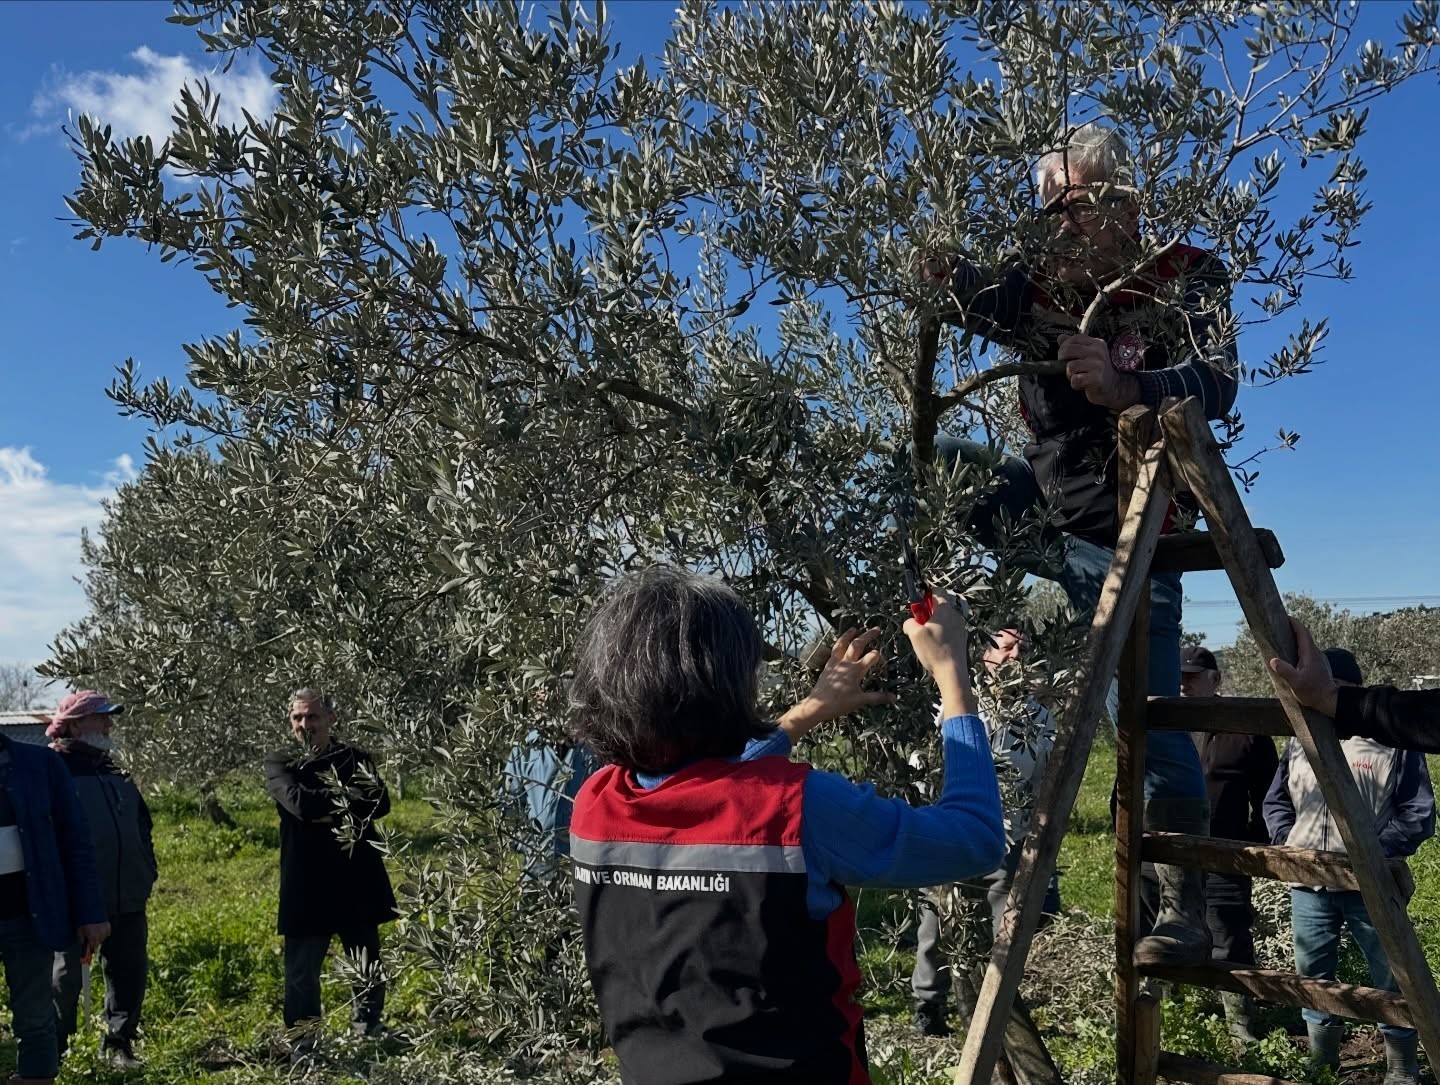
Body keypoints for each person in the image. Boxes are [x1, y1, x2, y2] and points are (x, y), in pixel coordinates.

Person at [922, 120, 1238, 967]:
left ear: (1121, 202)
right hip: (1046, 520)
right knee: (934, 462)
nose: (1057, 223)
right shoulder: (1042, 293)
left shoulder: (1182, 277)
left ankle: (1186, 906)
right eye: (1047, 209)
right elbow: (968, 291)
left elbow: (1218, 382)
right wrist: (939, 268)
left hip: (1136, 530)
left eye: (1072, 205)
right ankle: (971, 611)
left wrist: (1126, 383)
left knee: (1147, 723)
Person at [568, 566, 1004, 1083]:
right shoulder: (798, 809)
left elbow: (702, 786)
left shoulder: (595, 807)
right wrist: (953, 678)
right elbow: (974, 838)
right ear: (726, 686)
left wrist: (809, 712)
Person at [1263, 649, 1434, 1084]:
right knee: (1312, 973)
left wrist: (1374, 856)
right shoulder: (1297, 741)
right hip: (1309, 884)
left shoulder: (1391, 742)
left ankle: (1401, 1067)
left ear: (1347, 691)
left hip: (1368, 885)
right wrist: (1289, 841)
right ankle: (1323, 1060)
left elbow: (1418, 812)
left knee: (1390, 976)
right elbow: (1276, 801)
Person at [911, 626, 1062, 1037]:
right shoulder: (953, 703)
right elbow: (923, 766)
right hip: (950, 830)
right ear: (985, 656)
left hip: (1008, 837)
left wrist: (1040, 838)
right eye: (1008, 646)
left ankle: (1000, 1008)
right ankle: (928, 1003)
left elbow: (1043, 780)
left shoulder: (1039, 715)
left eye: (1023, 648)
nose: (1017, 654)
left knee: (1005, 927)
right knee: (937, 919)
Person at [264, 690, 397, 1056]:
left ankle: (368, 1028)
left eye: (313, 717)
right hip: (306, 882)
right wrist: (348, 801)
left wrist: (326, 809)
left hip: (356, 878)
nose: (305, 725)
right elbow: (300, 804)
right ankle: (304, 1042)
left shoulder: (354, 757)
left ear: (330, 720)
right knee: (302, 972)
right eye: (298, 718)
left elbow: (380, 803)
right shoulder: (280, 762)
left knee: (366, 961)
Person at [46, 691, 157, 1070]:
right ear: (76, 724)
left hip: (127, 895)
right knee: (65, 981)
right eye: (101, 718)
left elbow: (142, 824)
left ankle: (119, 1048)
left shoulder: (113, 769)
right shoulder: (52, 770)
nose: (109, 725)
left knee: (129, 974)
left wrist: (146, 871)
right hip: (74, 901)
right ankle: (54, 1056)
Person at [0, 704, 109, 1085]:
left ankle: (36, 1078)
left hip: (27, 916)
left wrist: (91, 911)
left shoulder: (38, 765)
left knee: (34, 1014)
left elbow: (75, 841)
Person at [1182, 647, 1277, 1043]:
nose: (1183, 685)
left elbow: (1272, 791)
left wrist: (1250, 842)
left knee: (1229, 933)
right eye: (1179, 677)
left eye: (1192, 677)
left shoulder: (1245, 728)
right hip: (1167, 851)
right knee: (1162, 928)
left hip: (1225, 853)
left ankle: (1239, 1025)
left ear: (1215, 680)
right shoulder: (1161, 724)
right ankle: (1175, 1008)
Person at [1271, 618, 1440, 753]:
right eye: (1332, 682)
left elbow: (1417, 796)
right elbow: (1276, 795)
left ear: (1356, 687)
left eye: (1339, 684)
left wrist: (1329, 696)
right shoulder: (1300, 742)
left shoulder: (1397, 748)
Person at [501, 732, 597, 885]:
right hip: (536, 870)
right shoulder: (525, 750)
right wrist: (529, 845)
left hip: (581, 870)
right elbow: (509, 808)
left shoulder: (591, 751)